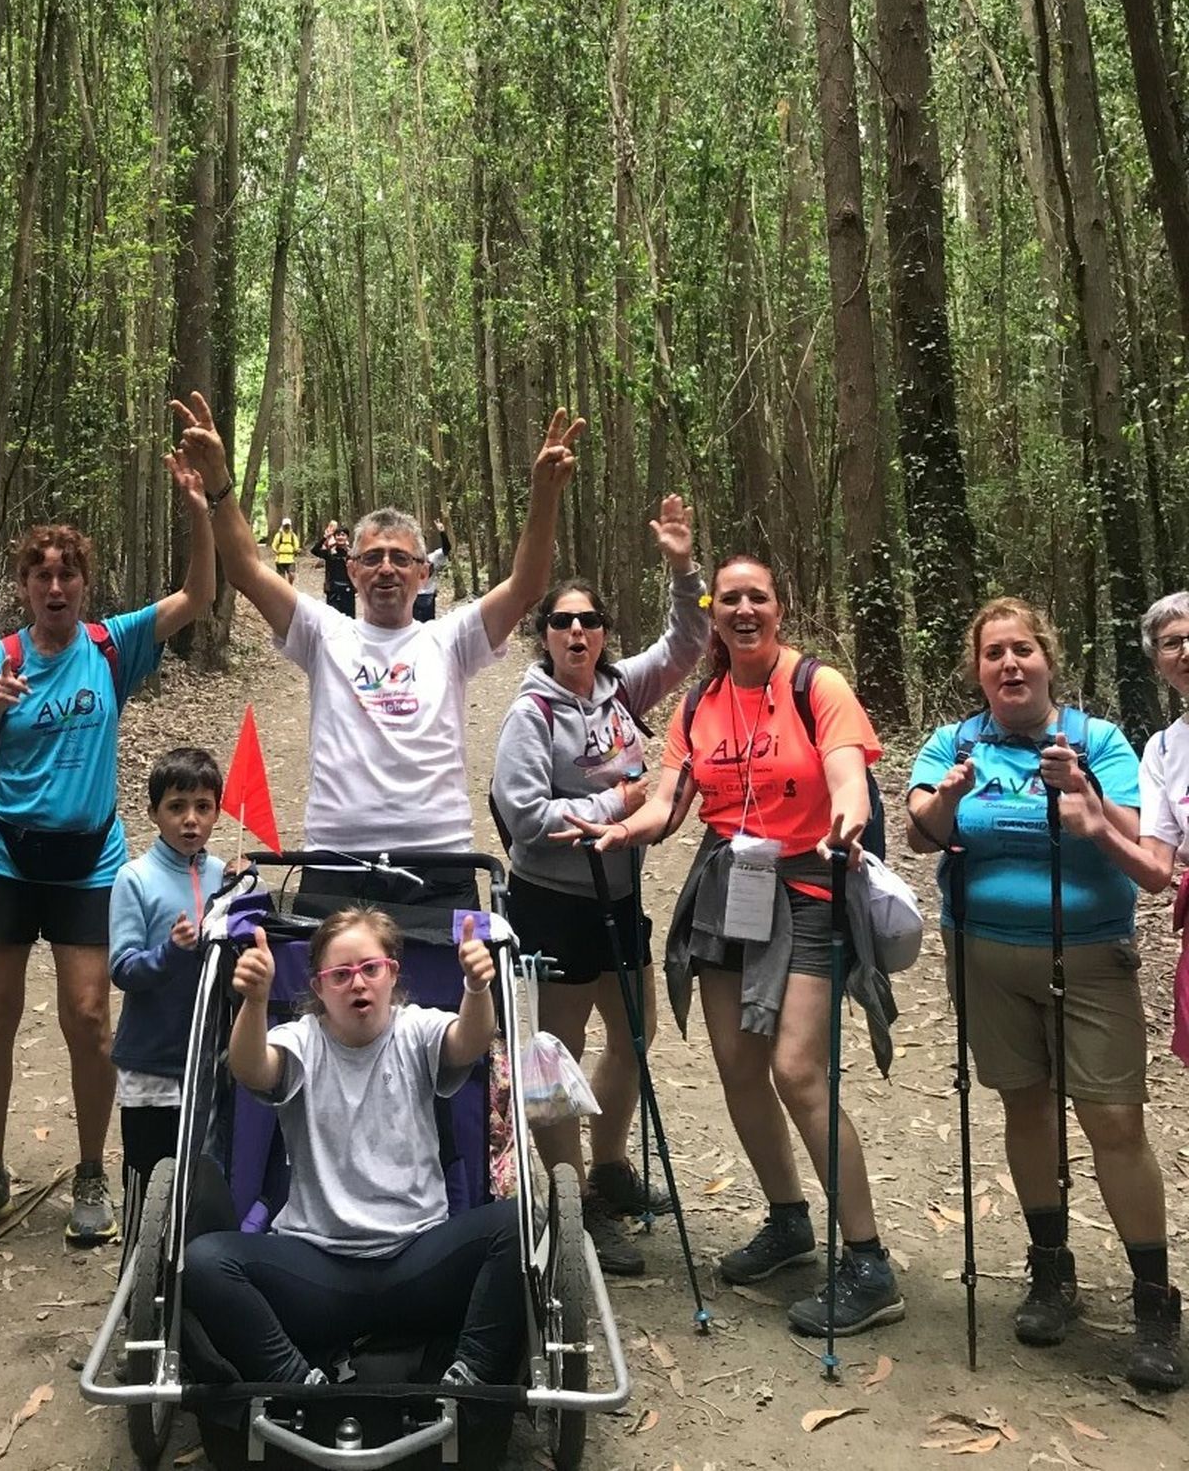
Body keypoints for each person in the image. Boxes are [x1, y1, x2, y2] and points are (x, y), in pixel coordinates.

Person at [559, 554, 901, 1339]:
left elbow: (849, 774)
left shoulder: (818, 685)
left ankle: (870, 1259)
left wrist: (847, 816)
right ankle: (788, 1220)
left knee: (796, 1070)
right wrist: (620, 827)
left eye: (759, 597)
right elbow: (671, 797)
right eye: (730, 599)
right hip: (727, 889)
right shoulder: (702, 700)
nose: (743, 610)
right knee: (740, 1065)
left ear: (780, 607)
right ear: (714, 614)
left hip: (810, 888)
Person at [171, 391, 584, 931]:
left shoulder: (451, 639)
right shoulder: (323, 633)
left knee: (448, 1012)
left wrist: (544, 496)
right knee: (337, 1008)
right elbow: (246, 568)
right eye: (371, 558)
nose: (386, 568)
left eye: (400, 558)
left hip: (440, 860)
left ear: (422, 573)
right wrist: (221, 481)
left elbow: (527, 586)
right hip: (335, 859)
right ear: (353, 570)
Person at [0, 450, 214, 1249]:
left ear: (83, 585)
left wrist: (197, 506)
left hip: (90, 857)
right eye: (40, 576)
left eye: (67, 576)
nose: (54, 588)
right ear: (23, 586)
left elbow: (197, 595)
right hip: (4, 855)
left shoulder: (109, 645)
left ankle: (93, 1170)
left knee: (90, 1017)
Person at [906, 597, 1183, 1390]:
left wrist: (1088, 803)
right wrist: (951, 794)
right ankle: (1049, 1267)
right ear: (978, 669)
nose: (1009, 664)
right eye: (994, 653)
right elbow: (923, 830)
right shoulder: (957, 740)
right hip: (985, 954)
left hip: (1090, 956)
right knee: (1024, 1105)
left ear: (1048, 658)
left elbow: (1137, 838)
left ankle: (1155, 1299)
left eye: (1022, 649)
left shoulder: (1098, 741)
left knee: (1114, 1120)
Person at [490, 498, 706, 1277]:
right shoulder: (530, 714)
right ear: (544, 635)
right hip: (551, 901)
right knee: (554, 1053)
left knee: (635, 1033)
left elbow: (689, 641)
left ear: (604, 632)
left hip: (618, 897)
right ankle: (568, 1196)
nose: (577, 633)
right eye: (562, 622)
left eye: (590, 621)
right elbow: (523, 817)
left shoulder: (620, 691)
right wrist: (620, 800)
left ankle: (609, 1166)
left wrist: (684, 568)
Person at [182, 908, 520, 1389]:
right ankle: (295, 1381)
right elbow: (252, 1068)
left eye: (369, 969)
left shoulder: (416, 1029)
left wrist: (476, 987)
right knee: (204, 1262)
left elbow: (468, 1041)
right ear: (318, 988)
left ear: (392, 974)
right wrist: (254, 1003)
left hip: (418, 1258)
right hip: (317, 1267)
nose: (357, 983)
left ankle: (470, 1377)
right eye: (340, 975)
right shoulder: (300, 1039)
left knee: (522, 1223)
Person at [109, 747, 226, 1221]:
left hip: (213, 1060)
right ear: (154, 812)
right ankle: (139, 1275)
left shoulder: (228, 876)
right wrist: (170, 953)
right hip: (152, 1061)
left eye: (203, 806)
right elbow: (122, 967)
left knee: (207, 1177)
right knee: (148, 1177)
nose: (190, 820)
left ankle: (194, 1279)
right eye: (176, 807)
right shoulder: (133, 878)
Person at [1137, 593, 1189, 891]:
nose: (1187, 652)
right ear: (1157, 663)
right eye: (1172, 643)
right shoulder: (1162, 748)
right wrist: (1099, 823)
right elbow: (1155, 867)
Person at [312, 520, 354, 619]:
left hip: (348, 590)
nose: (340, 537)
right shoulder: (329, 552)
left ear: (347, 537)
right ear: (335, 537)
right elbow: (314, 551)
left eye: (343, 535)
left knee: (349, 619)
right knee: (332, 618)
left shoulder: (352, 553)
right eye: (338, 535)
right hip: (333, 590)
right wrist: (325, 537)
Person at [412, 523, 451, 624]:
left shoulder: (434, 557)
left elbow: (446, 549)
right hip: (413, 597)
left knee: (428, 626)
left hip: (428, 597)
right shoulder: (408, 560)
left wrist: (442, 532)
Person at [271, 518, 301, 585]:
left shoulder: (293, 535)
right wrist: (276, 551)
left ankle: (290, 585)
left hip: (290, 559)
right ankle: (284, 589)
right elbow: (273, 545)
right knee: (281, 578)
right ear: (283, 525)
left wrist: (297, 550)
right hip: (280, 559)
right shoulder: (279, 535)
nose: (286, 527)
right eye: (285, 525)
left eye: (288, 525)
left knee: (292, 574)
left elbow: (296, 545)